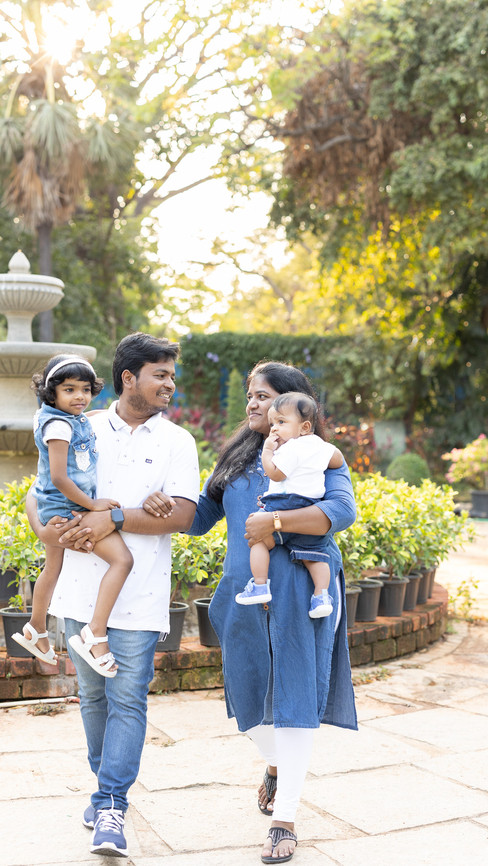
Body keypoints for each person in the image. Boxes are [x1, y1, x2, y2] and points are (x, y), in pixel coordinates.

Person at [26, 333, 200, 859]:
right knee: (93, 698)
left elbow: (185, 515)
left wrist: (117, 516)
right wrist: (46, 530)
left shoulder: (177, 441)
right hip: (79, 593)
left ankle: (112, 804)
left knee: (127, 699)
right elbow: (38, 492)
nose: (169, 384)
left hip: (140, 593)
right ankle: (104, 789)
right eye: (160, 375)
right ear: (129, 378)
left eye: (171, 376)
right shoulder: (81, 422)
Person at [187, 361, 357, 864]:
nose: (253, 404)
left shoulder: (318, 455)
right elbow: (198, 517)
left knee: (296, 698)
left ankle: (285, 820)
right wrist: (130, 509)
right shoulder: (238, 459)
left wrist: (276, 522)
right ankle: (277, 764)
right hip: (243, 594)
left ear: (294, 408)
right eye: (250, 395)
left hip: (304, 593)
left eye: (263, 396)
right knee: (245, 696)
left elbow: (341, 511)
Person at [14, 355, 136, 677]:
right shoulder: (58, 427)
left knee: (52, 567)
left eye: (85, 389)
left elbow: (86, 415)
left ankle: (36, 627)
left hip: (53, 507)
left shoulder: (64, 416)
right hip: (67, 509)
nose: (80, 397)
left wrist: (105, 413)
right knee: (122, 560)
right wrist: (93, 506)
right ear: (51, 392)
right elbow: (59, 477)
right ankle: (95, 633)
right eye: (69, 390)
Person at [235, 391, 344, 619]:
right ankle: (322, 596)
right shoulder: (321, 446)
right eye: (273, 423)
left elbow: (276, 474)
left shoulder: (291, 448)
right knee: (315, 556)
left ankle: (260, 585)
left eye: (281, 422)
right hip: (310, 508)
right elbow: (338, 460)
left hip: (283, 504)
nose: (274, 429)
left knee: (259, 542)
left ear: (305, 427)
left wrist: (268, 452)